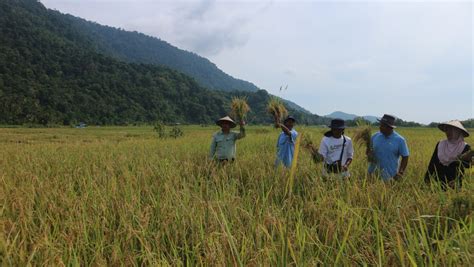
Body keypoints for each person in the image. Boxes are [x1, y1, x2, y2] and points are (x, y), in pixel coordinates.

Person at [424, 120, 473, 190]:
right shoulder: (440, 144)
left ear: (458, 131)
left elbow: (467, 165)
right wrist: (427, 178)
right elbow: (433, 162)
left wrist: (470, 159)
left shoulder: (465, 147)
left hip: (454, 183)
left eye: (451, 130)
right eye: (447, 129)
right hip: (438, 182)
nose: (448, 132)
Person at [368, 114, 409, 181]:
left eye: (383, 125)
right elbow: (369, 151)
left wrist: (400, 173)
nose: (380, 127)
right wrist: (369, 154)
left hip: (390, 177)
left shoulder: (400, 140)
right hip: (373, 175)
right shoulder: (375, 136)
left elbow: (405, 157)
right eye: (380, 124)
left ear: (390, 127)